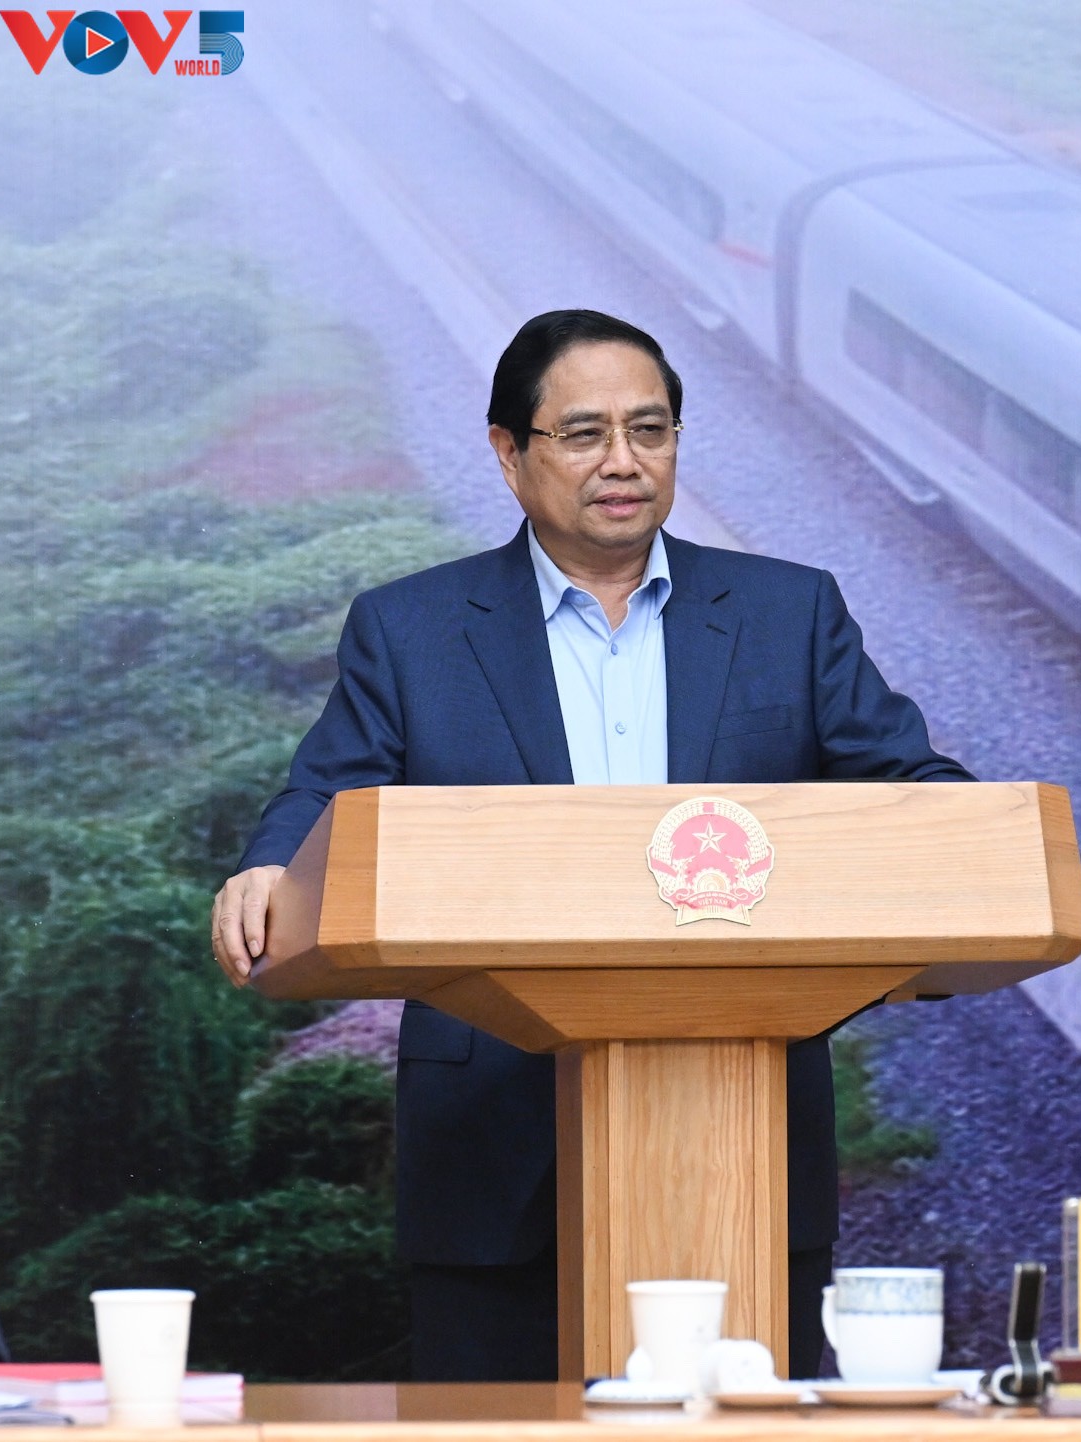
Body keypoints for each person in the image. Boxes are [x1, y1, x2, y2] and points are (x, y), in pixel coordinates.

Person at [210, 309, 971, 1382]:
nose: (623, 461)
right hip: (492, 1140)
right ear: (508, 452)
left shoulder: (788, 613)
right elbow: (329, 794)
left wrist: (965, 854)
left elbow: (914, 791)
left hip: (745, 1145)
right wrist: (266, 868)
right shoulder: (412, 628)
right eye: (583, 433)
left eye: (649, 430)